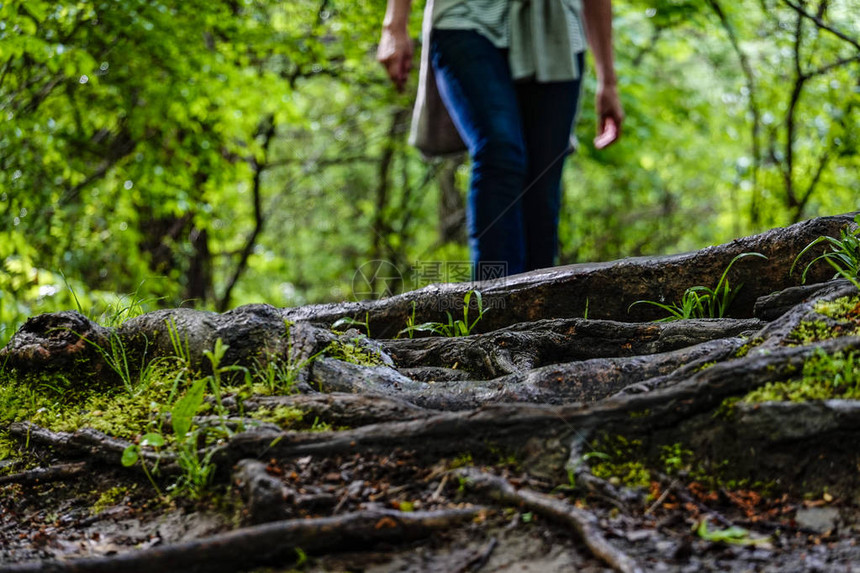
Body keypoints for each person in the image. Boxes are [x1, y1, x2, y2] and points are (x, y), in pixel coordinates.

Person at [378, 0, 623, 280]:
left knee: (543, 177)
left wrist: (609, 82)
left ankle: (543, 309)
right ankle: (493, 303)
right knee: (500, 150)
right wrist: (394, 25)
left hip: (554, 27)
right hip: (465, 17)